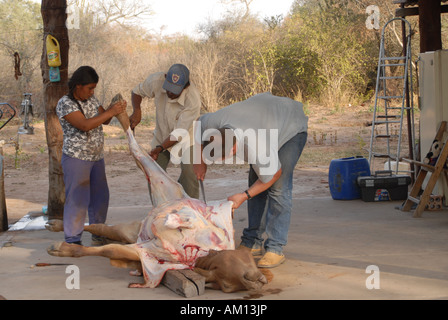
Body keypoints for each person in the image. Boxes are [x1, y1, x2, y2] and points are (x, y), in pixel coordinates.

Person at [193, 92, 308, 268]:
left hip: (290, 125)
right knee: (257, 183)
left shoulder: (255, 144)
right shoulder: (214, 122)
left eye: (221, 158)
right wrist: (199, 160)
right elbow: (197, 125)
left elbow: (274, 174)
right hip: (265, 116)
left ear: (233, 149)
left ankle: (275, 247)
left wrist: (244, 195)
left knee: (278, 188)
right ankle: (251, 241)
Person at [56, 66, 127, 245]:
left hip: (96, 157)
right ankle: (73, 239)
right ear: (78, 86)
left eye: (94, 88)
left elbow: (106, 118)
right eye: (89, 88)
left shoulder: (91, 99)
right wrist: (110, 112)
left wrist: (114, 108)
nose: (92, 91)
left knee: (100, 197)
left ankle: (98, 231)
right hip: (76, 158)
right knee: (77, 198)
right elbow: (85, 125)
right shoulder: (65, 103)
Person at [129, 64, 201, 199]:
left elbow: (179, 133)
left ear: (185, 86)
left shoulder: (193, 99)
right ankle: (161, 210)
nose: (170, 93)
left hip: (187, 139)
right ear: (165, 78)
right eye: (169, 88)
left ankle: (191, 210)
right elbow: (137, 92)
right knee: (153, 174)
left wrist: (159, 148)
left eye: (175, 90)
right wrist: (137, 111)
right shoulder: (156, 81)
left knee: (190, 174)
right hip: (161, 136)